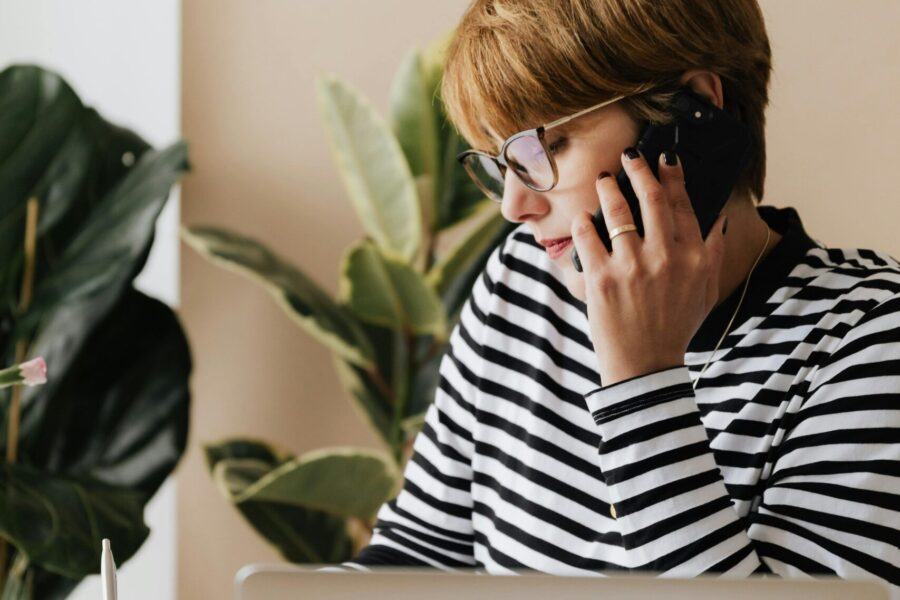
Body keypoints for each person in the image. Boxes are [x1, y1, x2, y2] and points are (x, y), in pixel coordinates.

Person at [336, 0, 900, 593]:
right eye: (501, 161)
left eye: (547, 147)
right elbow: (417, 556)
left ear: (693, 112)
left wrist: (643, 379)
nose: (513, 206)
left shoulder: (871, 343)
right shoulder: (522, 282)